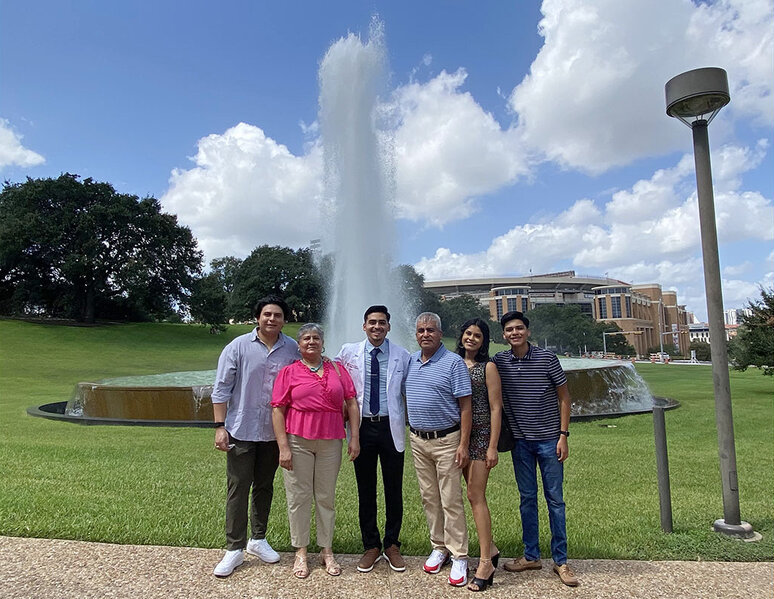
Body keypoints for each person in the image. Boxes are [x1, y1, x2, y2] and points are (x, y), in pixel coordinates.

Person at [211, 295, 299, 578]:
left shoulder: (292, 349)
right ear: (258, 317)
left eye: (277, 315)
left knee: (264, 486)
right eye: (267, 314)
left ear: (284, 320)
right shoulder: (238, 346)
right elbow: (222, 387)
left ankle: (258, 539)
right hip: (242, 428)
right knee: (238, 487)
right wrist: (219, 426)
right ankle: (234, 548)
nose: (272, 319)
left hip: (275, 433)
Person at [492, 311, 579, 587]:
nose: (514, 333)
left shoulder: (547, 358)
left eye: (519, 328)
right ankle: (531, 555)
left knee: (555, 500)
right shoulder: (500, 362)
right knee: (527, 499)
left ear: (527, 331)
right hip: (520, 443)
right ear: (504, 335)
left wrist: (563, 435)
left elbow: (564, 397)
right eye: (509, 329)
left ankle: (561, 561)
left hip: (549, 440)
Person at [271, 323, 360, 580]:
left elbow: (351, 403)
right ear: (298, 346)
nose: (312, 342)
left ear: (323, 343)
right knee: (298, 497)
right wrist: (283, 447)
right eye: (306, 338)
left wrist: (354, 437)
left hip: (331, 440)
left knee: (325, 496)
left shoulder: (338, 370)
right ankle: (300, 551)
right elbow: (277, 409)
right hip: (297, 440)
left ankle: (326, 550)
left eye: (316, 338)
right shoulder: (289, 372)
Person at [335, 305, 411, 573]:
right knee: (365, 489)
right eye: (372, 322)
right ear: (364, 326)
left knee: (394, 489)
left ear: (388, 326)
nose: (377, 327)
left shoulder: (403, 356)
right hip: (361, 428)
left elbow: (410, 391)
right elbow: (332, 380)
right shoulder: (347, 353)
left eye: (382, 322)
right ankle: (371, 545)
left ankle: (392, 543)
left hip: (391, 428)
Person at [405, 312, 472, 587]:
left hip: (447, 441)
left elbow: (465, 406)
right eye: (421, 330)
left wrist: (464, 444)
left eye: (430, 330)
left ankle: (460, 555)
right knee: (429, 497)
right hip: (418, 441)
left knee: (451, 500)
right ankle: (439, 546)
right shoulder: (410, 361)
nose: (425, 334)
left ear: (440, 333)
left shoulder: (453, 363)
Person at [455, 318, 503, 592]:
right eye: (468, 333)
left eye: (477, 335)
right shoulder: (451, 363)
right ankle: (492, 549)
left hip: (482, 437)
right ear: (461, 336)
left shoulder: (489, 367)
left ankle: (485, 562)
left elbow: (496, 408)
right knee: (468, 493)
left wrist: (492, 446)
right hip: (459, 436)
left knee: (476, 495)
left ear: (484, 341)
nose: (471, 338)